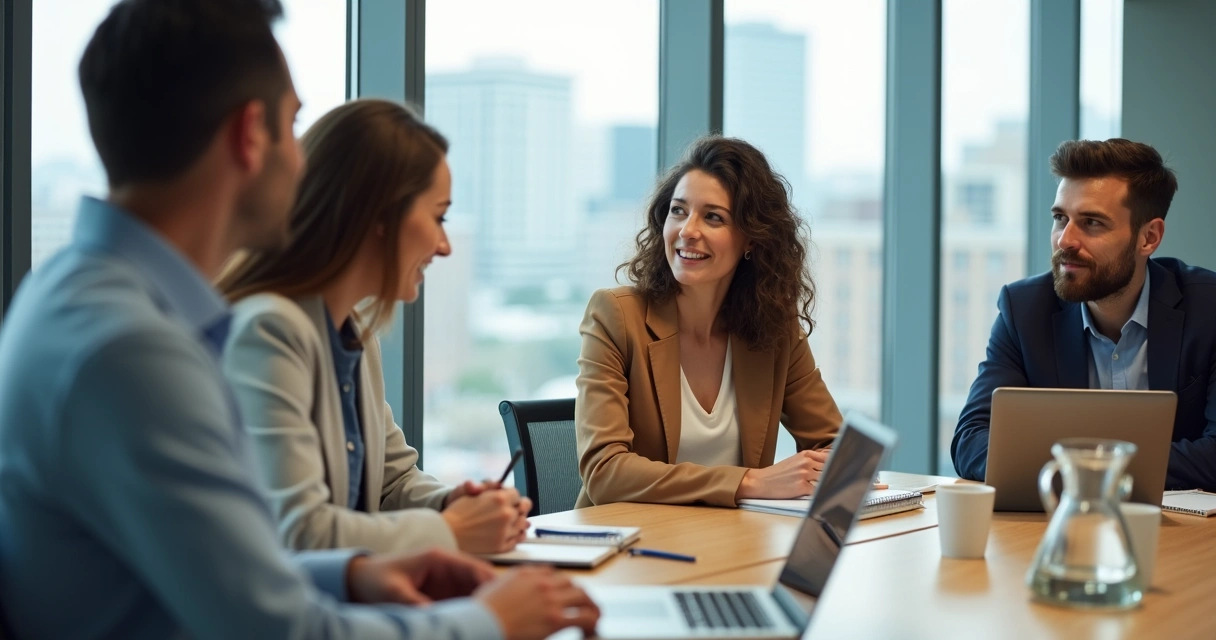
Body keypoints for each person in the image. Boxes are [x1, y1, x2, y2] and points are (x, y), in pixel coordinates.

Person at [0, 1, 598, 638]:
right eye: (292, 125)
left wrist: (349, 575)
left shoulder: (75, 299)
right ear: (249, 134)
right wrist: (488, 622)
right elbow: (278, 628)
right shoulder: (134, 352)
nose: (302, 162)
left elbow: (229, 572)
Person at [217, 99, 529, 555]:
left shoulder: (354, 330)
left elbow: (390, 482)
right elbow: (300, 532)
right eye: (438, 217)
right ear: (380, 217)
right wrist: (453, 531)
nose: (444, 246)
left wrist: (451, 503)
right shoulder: (268, 331)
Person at [575, 135, 843, 508]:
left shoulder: (774, 332)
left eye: (713, 217)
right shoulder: (616, 317)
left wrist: (827, 472)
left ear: (752, 238)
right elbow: (605, 473)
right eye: (678, 211)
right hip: (630, 548)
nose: (687, 230)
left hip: (730, 545)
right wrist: (748, 482)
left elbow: (834, 448)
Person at [952, 138, 1216, 491]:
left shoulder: (1207, 308)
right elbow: (971, 440)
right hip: (1061, 528)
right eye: (1061, 218)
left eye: (1091, 223)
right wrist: (1098, 473)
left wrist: (1078, 469)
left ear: (1149, 238)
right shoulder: (1024, 309)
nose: (1065, 240)